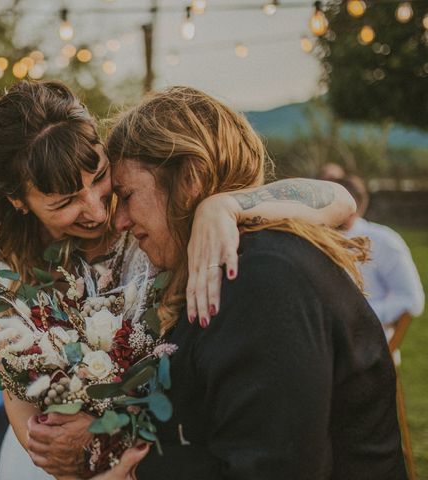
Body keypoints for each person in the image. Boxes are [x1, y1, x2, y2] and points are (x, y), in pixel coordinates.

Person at [0, 81, 357, 480]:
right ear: (20, 201)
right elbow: (16, 383)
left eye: (99, 177)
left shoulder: (150, 215)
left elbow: (340, 202)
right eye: (64, 202)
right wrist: (63, 465)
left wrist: (224, 206)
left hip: (157, 452)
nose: (98, 211)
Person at [83, 86, 404, 479]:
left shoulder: (261, 279)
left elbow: (272, 467)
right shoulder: (221, 269)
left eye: (127, 195)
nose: (120, 222)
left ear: (191, 178)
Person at [333, 175, 424, 325]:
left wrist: (360, 316)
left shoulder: (384, 241)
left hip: (369, 341)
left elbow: (412, 299)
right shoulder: (311, 239)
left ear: (352, 207)